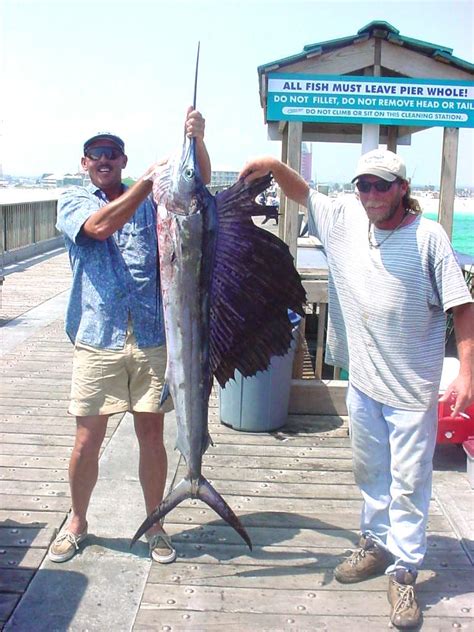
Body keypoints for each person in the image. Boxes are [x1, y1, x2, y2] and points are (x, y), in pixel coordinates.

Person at [240, 149, 473, 630]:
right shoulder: (345, 218)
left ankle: (405, 569)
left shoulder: (429, 238)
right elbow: (301, 192)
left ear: (401, 188)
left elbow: (462, 307)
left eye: (381, 185)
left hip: (411, 391)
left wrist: (467, 373)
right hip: (363, 385)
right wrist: (269, 164)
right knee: (370, 474)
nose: (371, 194)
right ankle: (377, 541)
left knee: (410, 484)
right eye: (363, 185)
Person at [49, 108, 211, 565]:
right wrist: (144, 183)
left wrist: (195, 140)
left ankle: (155, 523)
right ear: (85, 163)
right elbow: (99, 227)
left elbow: (194, 184)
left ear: (123, 160)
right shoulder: (73, 200)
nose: (104, 160)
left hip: (154, 338)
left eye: (112, 154)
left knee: (152, 436)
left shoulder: (156, 202)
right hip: (98, 336)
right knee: (86, 440)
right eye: (96, 155)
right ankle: (77, 523)